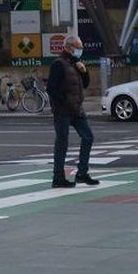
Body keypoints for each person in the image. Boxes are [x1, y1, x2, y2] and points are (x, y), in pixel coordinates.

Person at [46, 35, 98, 189]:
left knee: (88, 137)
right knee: (62, 143)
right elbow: (51, 88)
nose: (80, 50)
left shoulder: (76, 64)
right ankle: (58, 178)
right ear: (69, 47)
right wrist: (63, 101)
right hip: (63, 111)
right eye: (78, 47)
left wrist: (84, 71)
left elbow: (85, 84)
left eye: (80, 47)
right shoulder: (58, 64)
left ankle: (82, 173)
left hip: (77, 110)